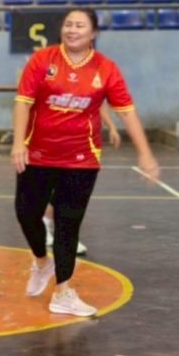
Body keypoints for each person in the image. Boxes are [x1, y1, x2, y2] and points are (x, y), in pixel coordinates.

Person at [11, 7, 159, 317]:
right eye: (68, 24)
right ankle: (41, 261)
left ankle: (63, 292)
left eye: (80, 25)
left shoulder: (106, 68)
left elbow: (127, 111)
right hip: (37, 153)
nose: (72, 30)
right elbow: (23, 102)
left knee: (68, 223)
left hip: (81, 159)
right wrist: (18, 143)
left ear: (93, 32)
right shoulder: (43, 60)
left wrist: (144, 153)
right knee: (26, 214)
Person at [43, 103, 121, 256]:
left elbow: (100, 103)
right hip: (56, 138)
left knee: (73, 190)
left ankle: (60, 231)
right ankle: (56, 229)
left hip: (84, 142)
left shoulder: (93, 88)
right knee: (64, 187)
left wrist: (111, 126)